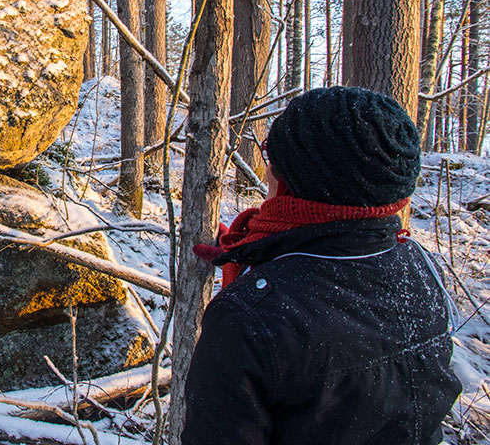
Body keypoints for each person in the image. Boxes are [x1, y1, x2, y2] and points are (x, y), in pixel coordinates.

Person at [182, 86, 462, 445]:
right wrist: (250, 257)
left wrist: (252, 294)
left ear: (294, 183)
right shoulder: (419, 269)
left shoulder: (247, 320)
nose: (267, 170)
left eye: (273, 158)